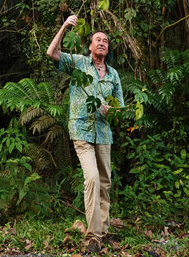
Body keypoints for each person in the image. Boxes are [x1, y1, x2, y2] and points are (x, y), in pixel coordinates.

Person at [47, 14, 124, 253]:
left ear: (108, 48)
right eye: (97, 40)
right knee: (91, 178)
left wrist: (112, 110)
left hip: (103, 132)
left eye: (105, 41)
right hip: (81, 129)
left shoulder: (113, 75)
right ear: (90, 46)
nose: (102, 43)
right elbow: (51, 53)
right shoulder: (79, 63)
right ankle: (93, 236)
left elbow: (120, 108)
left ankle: (103, 232)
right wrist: (64, 26)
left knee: (105, 183)